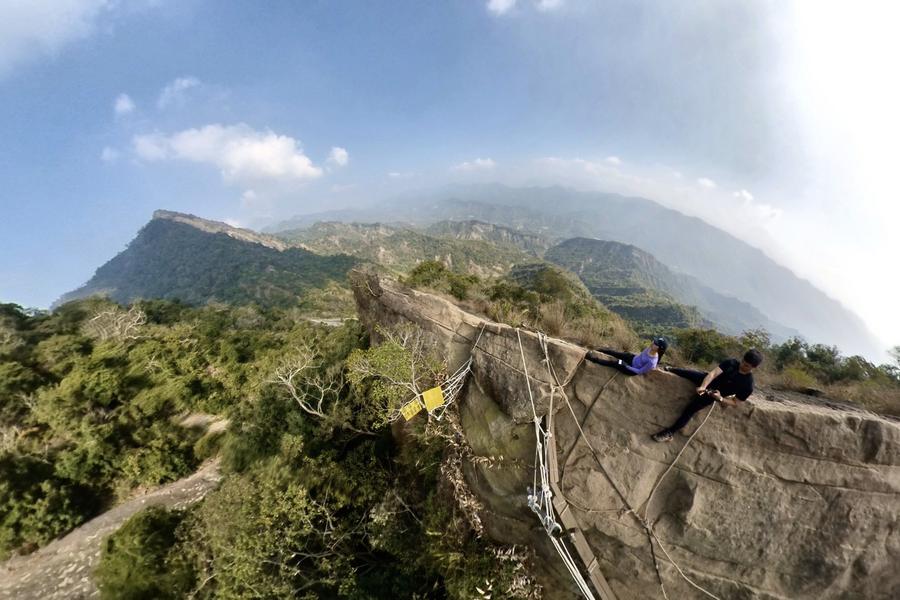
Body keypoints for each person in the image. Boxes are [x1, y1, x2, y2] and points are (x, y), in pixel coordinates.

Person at [652, 349, 763, 442]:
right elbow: (713, 373)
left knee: (690, 409)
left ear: (754, 367)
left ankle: (670, 432)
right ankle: (670, 369)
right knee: (687, 373)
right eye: (743, 361)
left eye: (746, 365)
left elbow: (735, 402)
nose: (743, 365)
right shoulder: (732, 363)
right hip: (707, 380)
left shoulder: (748, 384)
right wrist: (703, 387)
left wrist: (720, 398)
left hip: (713, 394)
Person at [586, 337, 668, 376]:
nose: (653, 342)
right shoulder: (649, 348)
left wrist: (627, 366)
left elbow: (639, 371)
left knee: (614, 362)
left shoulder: (652, 362)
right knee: (614, 352)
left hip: (631, 368)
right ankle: (596, 350)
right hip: (632, 358)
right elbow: (640, 356)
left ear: (659, 349)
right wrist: (631, 356)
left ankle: (592, 359)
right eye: (654, 341)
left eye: (655, 343)